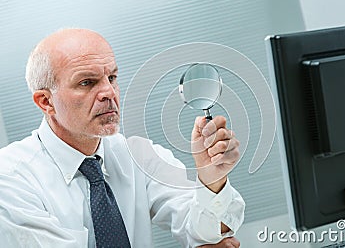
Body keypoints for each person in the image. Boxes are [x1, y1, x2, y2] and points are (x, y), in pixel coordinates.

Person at [0, 28, 245, 248]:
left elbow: (212, 233)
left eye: (112, 78)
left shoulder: (137, 155)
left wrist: (212, 179)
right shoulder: (10, 177)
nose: (108, 92)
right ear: (46, 101)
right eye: (87, 82)